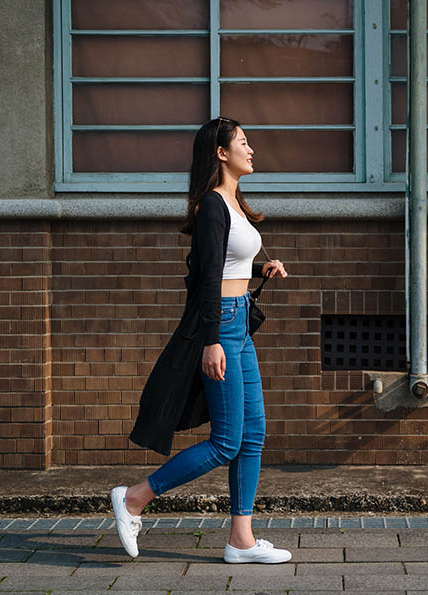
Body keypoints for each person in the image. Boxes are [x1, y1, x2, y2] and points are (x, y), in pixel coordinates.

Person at [110, 117, 291, 563]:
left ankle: (241, 541)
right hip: (223, 326)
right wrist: (211, 341)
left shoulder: (233, 203)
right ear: (221, 153)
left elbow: (222, 265)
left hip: (238, 319)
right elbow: (207, 277)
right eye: (243, 142)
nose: (252, 149)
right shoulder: (212, 204)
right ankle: (134, 497)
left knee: (253, 434)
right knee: (226, 441)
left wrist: (259, 269)